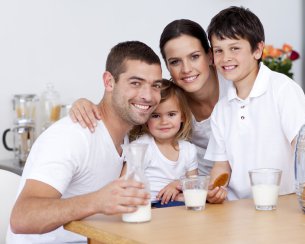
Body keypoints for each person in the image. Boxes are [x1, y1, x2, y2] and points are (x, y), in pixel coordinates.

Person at [7, 41, 163, 243]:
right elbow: (22, 217)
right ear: (109, 82)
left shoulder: (127, 135)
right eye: (135, 83)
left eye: (156, 86)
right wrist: (97, 201)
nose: (148, 96)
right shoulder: (72, 136)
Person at [69, 19, 230, 203]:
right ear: (167, 67)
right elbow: (124, 106)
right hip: (195, 195)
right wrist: (84, 103)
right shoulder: (168, 99)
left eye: (194, 56)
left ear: (210, 56)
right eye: (175, 62)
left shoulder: (234, 88)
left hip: (221, 190)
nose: (186, 69)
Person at [203, 6, 305, 201]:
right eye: (218, 50)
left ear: (258, 50)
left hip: (282, 203)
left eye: (235, 48)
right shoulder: (221, 108)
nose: (225, 58)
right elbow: (222, 165)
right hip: (238, 210)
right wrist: (213, 189)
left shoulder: (282, 89)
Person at [126, 80, 198, 206]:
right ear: (145, 118)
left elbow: (195, 184)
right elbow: (125, 183)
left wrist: (177, 185)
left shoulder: (188, 149)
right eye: (155, 116)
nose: (164, 121)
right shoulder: (141, 148)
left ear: (183, 117)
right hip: (151, 205)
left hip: (178, 203)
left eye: (171, 114)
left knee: (199, 200)